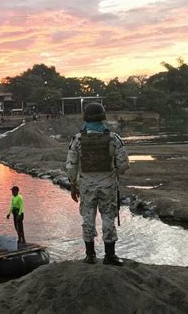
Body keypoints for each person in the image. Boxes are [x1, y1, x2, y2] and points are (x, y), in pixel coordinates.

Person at [66, 102, 129, 266]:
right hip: (108, 185)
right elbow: (123, 165)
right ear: (103, 116)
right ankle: (110, 256)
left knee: (88, 218)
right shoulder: (113, 138)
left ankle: (90, 255)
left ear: (85, 117)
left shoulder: (78, 139)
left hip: (86, 186)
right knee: (108, 217)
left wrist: (73, 185)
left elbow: (71, 165)